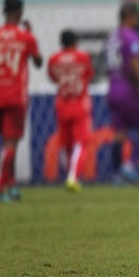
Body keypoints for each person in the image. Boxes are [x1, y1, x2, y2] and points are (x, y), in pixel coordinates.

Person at [0, 0, 43, 202]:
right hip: (15, 96)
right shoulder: (25, 37)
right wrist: (31, 35)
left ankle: (12, 185)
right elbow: (39, 62)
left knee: (7, 141)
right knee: (10, 143)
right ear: (20, 12)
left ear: (3, 11)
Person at [104, 3, 139, 185]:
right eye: (136, 17)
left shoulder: (112, 37)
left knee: (119, 133)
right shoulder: (131, 36)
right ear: (131, 16)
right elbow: (134, 64)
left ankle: (117, 175)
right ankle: (130, 165)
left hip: (112, 88)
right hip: (128, 89)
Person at [47, 30, 94, 193]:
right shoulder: (83, 57)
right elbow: (88, 75)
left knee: (66, 144)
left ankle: (70, 175)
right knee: (80, 143)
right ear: (75, 42)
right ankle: (73, 177)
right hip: (79, 102)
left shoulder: (54, 59)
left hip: (62, 102)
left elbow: (52, 76)